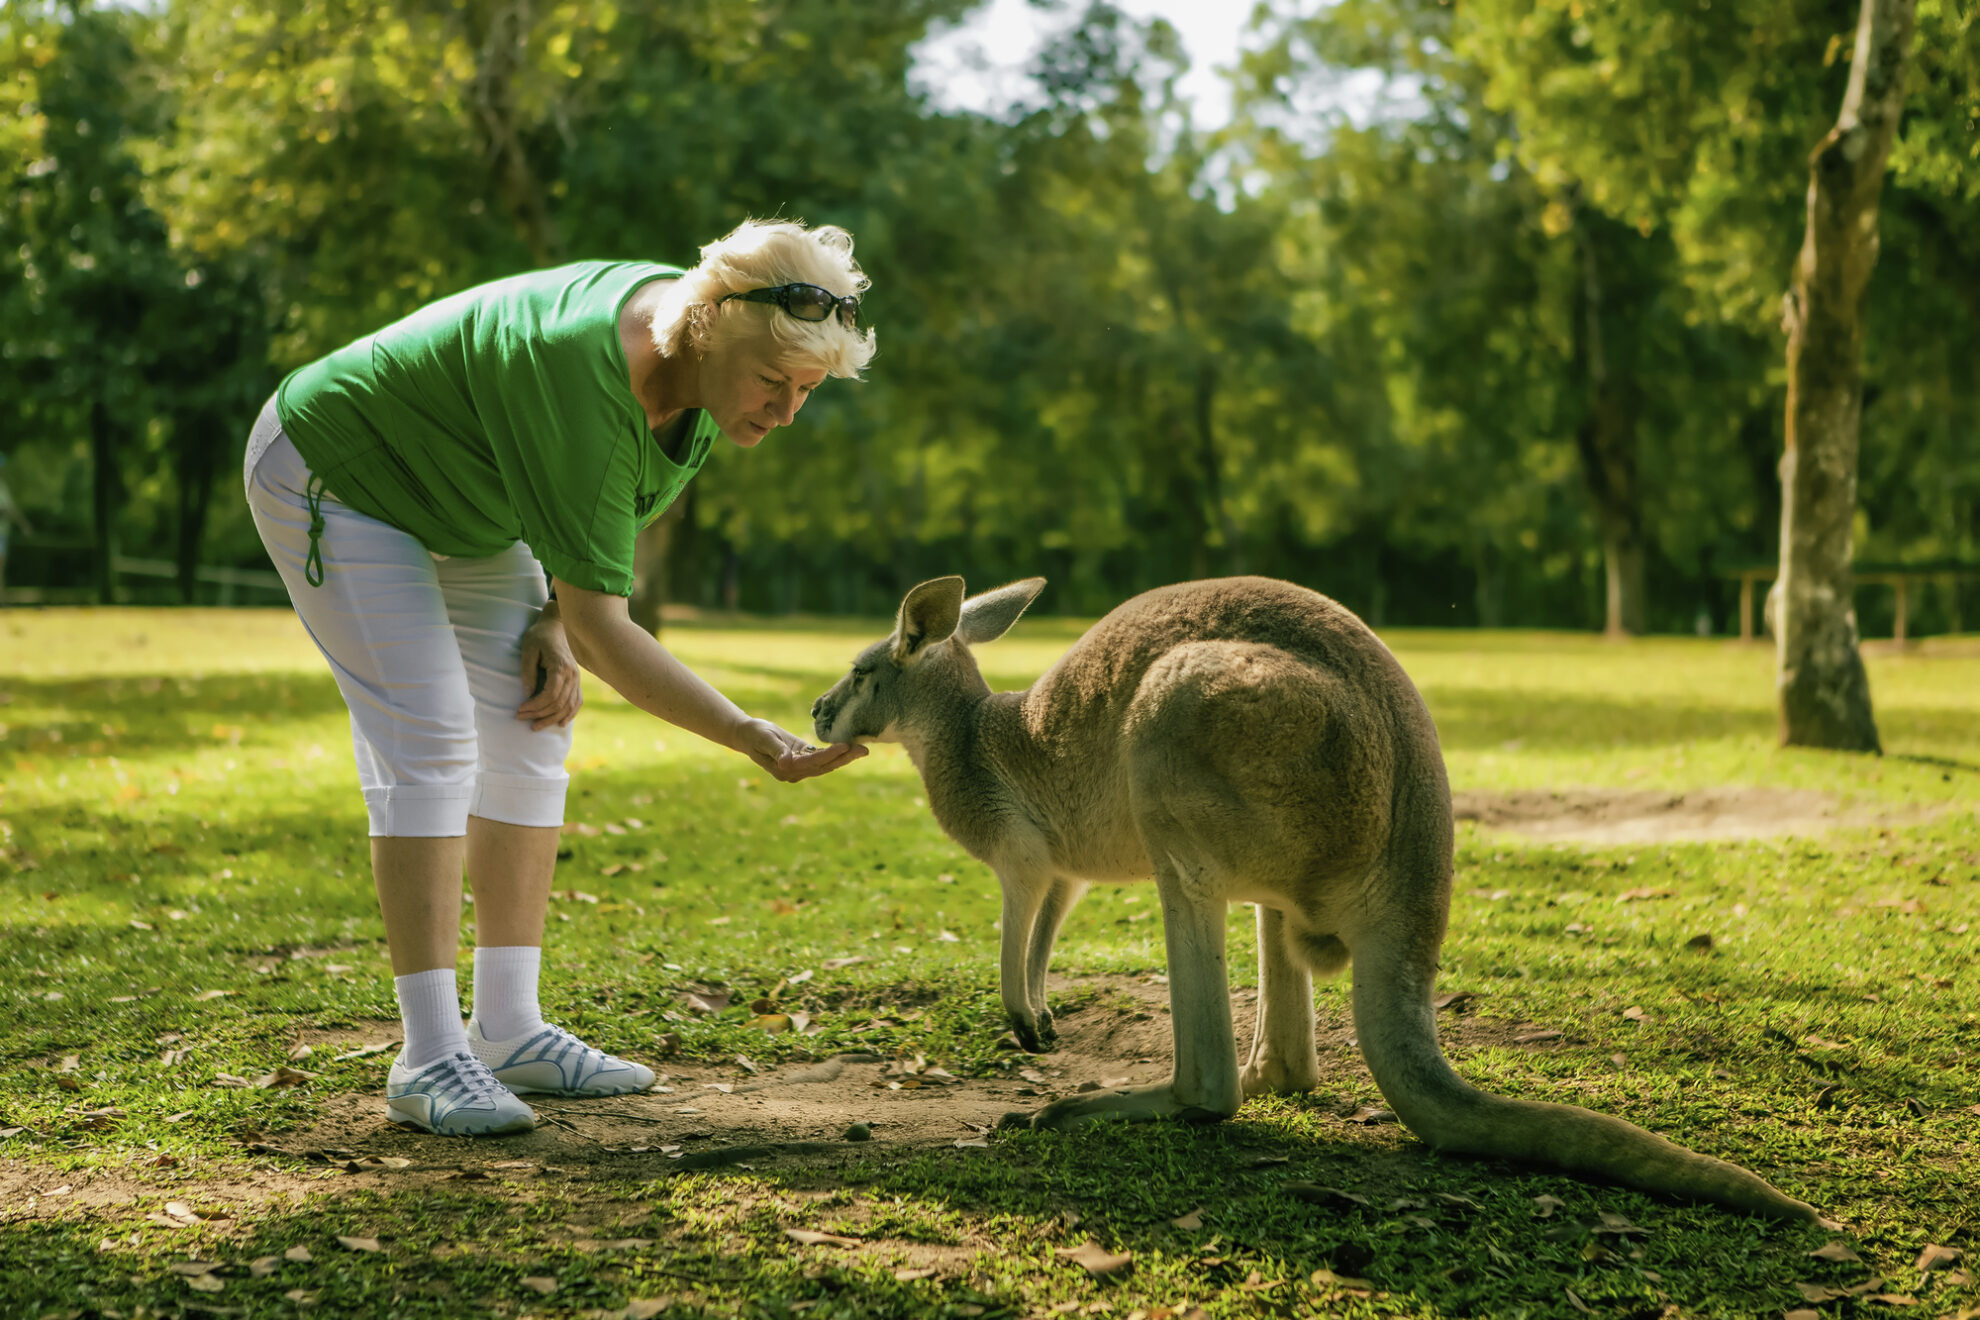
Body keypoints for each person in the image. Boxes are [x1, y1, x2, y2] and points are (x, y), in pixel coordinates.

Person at [244, 219, 873, 1136]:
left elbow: (597, 533)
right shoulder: (587, 370)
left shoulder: (695, 370)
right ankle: (427, 1056)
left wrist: (552, 615)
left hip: (471, 504)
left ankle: (508, 1028)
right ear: (704, 329)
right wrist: (754, 735)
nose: (784, 412)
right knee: (431, 739)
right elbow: (608, 631)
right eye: (773, 383)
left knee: (532, 723)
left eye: (808, 391)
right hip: (341, 472)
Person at [0, 451, 29, 598]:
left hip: (2, 533)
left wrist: (23, 524)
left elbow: (11, 509)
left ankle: (1, 596)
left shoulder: (3, 487)